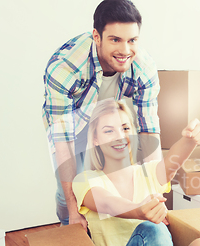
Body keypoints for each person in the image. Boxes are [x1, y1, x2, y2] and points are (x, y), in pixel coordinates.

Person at [42, 0, 161, 229]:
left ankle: (108, 232)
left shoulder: (144, 68)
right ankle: (68, 219)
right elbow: (62, 142)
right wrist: (73, 209)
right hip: (71, 123)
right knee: (71, 189)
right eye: (115, 39)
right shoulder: (64, 68)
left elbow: (149, 131)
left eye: (132, 40)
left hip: (106, 116)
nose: (126, 50)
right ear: (96, 36)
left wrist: (154, 197)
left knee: (114, 176)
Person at [72, 99, 200, 246]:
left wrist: (190, 139)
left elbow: (174, 161)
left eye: (125, 129)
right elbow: (107, 203)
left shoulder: (149, 173)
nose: (119, 136)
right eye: (109, 131)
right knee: (153, 229)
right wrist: (139, 210)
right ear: (95, 139)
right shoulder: (85, 180)